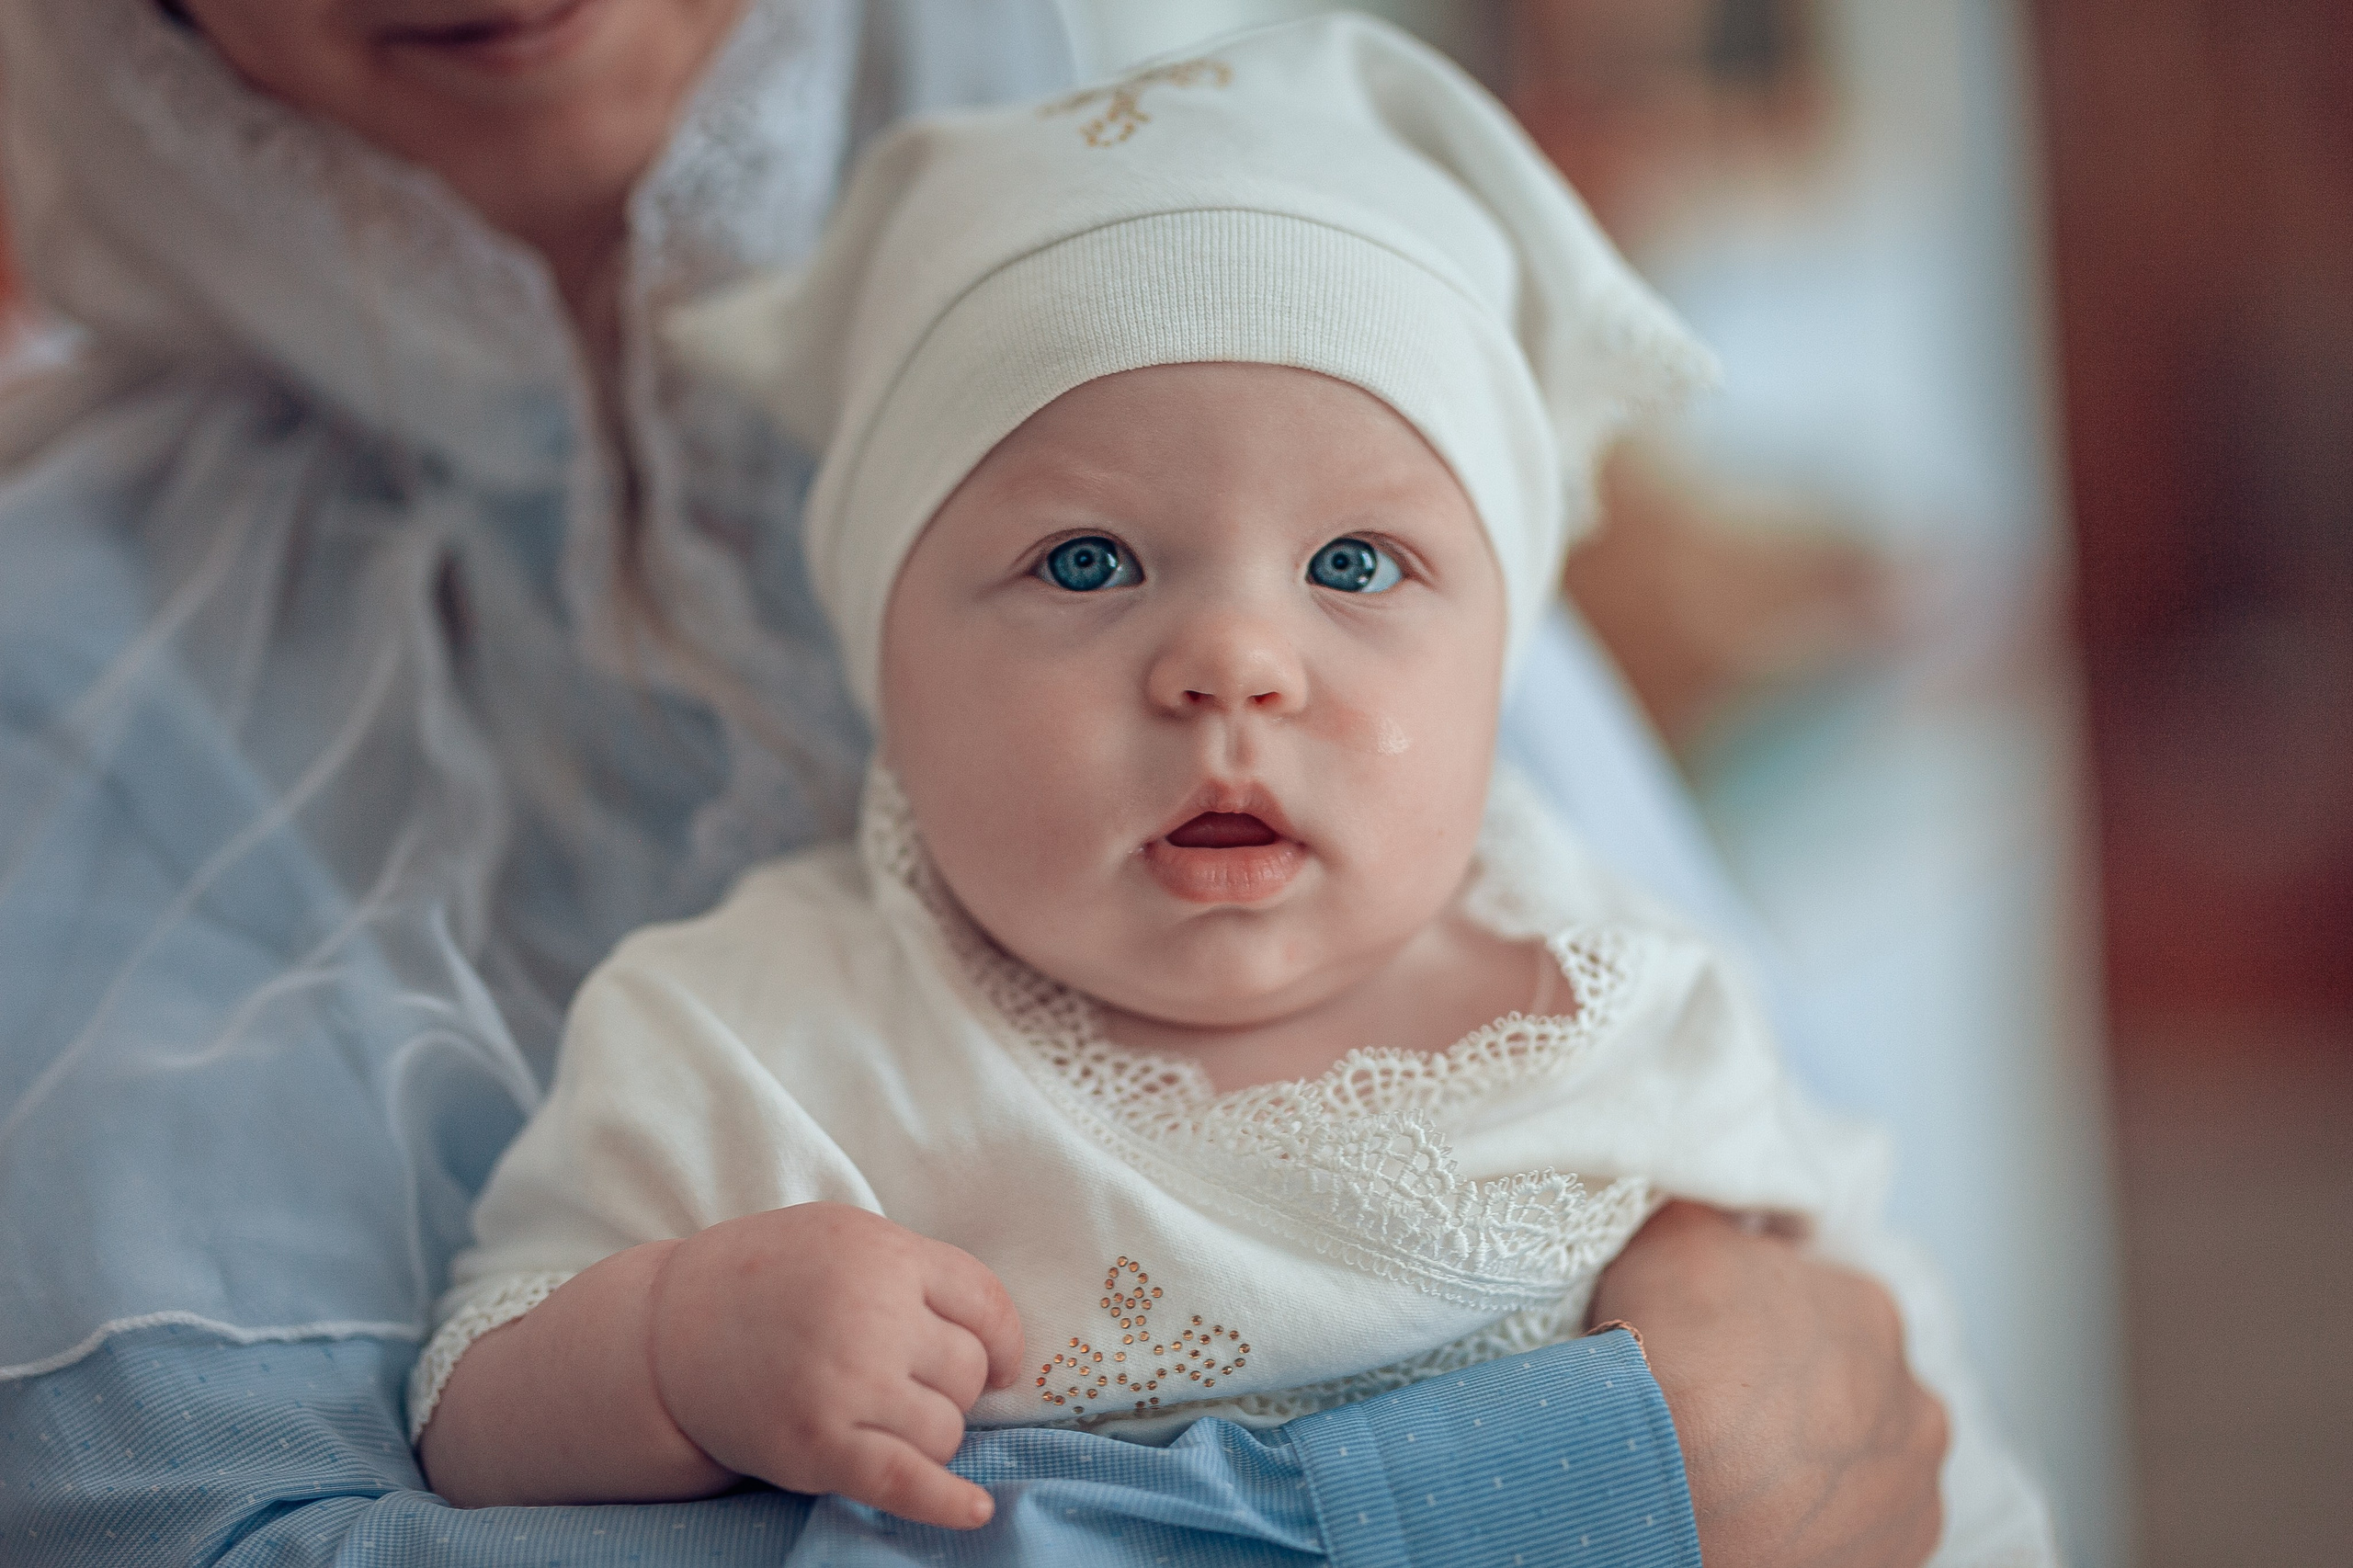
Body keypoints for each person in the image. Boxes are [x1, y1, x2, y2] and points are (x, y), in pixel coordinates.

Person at [0, 1, 1946, 1562]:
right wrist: (673, 1353)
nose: (1233, 663)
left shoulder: (1567, 938)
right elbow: (381, 1445)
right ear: (879, 658)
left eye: (1358, 570)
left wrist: (1784, 1352)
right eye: (1082, 566)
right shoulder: (757, 1032)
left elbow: (1874, 1390)